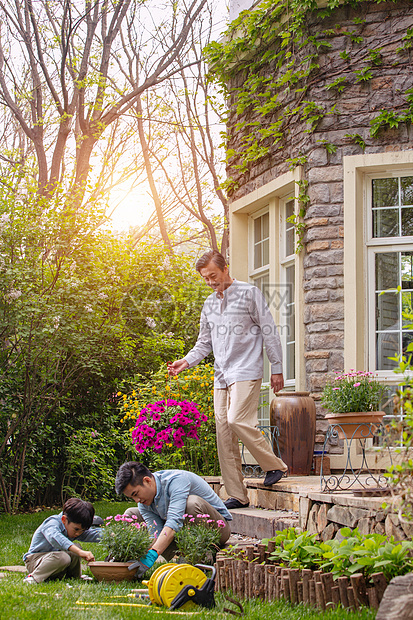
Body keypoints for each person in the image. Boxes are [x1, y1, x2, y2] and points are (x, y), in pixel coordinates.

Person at [168, 250, 288, 510]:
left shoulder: (249, 293)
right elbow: (204, 343)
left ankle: (274, 465)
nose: (210, 282)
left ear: (225, 268)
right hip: (221, 374)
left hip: (246, 369)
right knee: (223, 432)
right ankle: (237, 493)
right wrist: (186, 361)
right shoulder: (209, 304)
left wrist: (277, 367)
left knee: (237, 419)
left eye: (213, 276)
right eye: (205, 278)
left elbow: (269, 330)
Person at [115, 462, 232, 573]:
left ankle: (201, 557)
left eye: (136, 494)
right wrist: (141, 555)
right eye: (132, 497)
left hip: (216, 529)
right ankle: (181, 557)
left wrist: (152, 555)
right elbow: (156, 533)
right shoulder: (143, 503)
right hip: (184, 530)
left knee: (191, 504)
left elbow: (174, 522)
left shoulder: (176, 480)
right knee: (131, 514)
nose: (137, 500)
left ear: (147, 481)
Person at [23, 498, 102, 584]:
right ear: (64, 519)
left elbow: (92, 534)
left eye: (82, 531)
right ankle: (33, 578)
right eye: (76, 529)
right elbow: (56, 538)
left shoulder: (74, 527)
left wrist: (113, 535)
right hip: (35, 560)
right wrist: (80, 552)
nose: (78, 533)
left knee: (74, 548)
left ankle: (75, 577)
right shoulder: (52, 523)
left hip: (56, 561)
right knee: (64, 557)